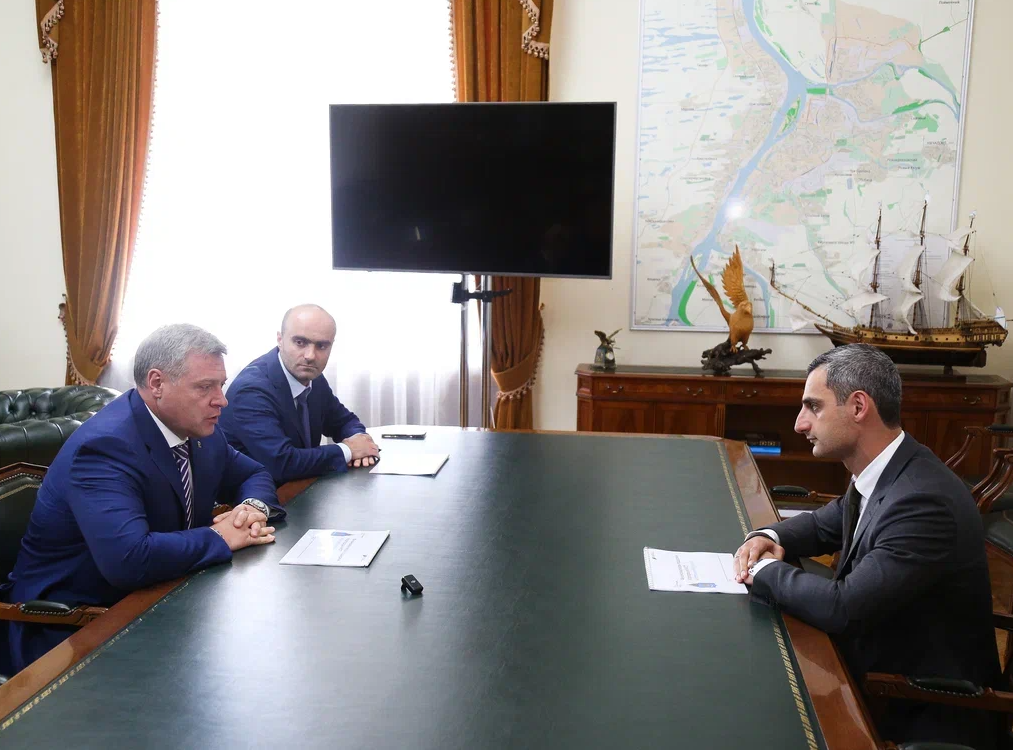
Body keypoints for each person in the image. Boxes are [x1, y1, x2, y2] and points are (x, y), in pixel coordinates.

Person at [732, 343, 1001, 748]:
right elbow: (822, 524)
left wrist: (762, 570)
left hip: (915, 705)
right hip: (873, 672)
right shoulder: (890, 469)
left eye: (813, 407)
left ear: (858, 407)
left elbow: (844, 608)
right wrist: (767, 537)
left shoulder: (922, 499)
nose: (800, 424)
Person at [3, 324, 281, 672]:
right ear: (157, 383)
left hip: (166, 598)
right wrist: (220, 536)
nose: (221, 400)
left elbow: (254, 474)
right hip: (75, 631)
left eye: (220, 385)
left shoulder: (200, 429)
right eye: (204, 387)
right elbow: (129, 560)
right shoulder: (105, 447)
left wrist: (252, 508)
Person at [219, 304, 379, 485]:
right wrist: (349, 451)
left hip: (300, 488)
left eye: (322, 346)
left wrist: (359, 441)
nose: (310, 356)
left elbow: (343, 421)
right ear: (280, 339)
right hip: (253, 496)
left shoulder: (311, 376)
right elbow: (282, 463)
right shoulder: (251, 391)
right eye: (300, 342)